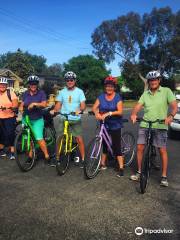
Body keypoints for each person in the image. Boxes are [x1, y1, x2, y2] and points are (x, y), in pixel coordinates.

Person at [130, 70, 177, 187]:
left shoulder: (166, 91)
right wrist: (134, 114)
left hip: (160, 125)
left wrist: (170, 116)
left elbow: (174, 106)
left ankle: (164, 176)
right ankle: (140, 172)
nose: (153, 82)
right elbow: (138, 106)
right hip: (145, 124)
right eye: (151, 80)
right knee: (140, 147)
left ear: (159, 80)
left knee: (162, 149)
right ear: (149, 82)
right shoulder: (145, 94)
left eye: (155, 79)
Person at [52, 71, 86, 168]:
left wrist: (80, 110)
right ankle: (57, 158)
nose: (69, 81)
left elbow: (83, 105)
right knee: (59, 138)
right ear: (66, 81)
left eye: (71, 80)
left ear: (75, 81)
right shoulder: (62, 92)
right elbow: (58, 104)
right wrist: (54, 111)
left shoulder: (80, 91)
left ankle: (83, 159)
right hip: (64, 117)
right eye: (67, 80)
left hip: (75, 119)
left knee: (79, 139)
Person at [92, 76, 124, 177]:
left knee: (116, 146)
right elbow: (94, 107)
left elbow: (120, 111)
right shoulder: (101, 97)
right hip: (104, 123)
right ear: (105, 87)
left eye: (111, 86)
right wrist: (97, 114)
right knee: (104, 144)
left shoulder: (117, 97)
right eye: (107, 86)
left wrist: (109, 113)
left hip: (115, 124)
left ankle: (121, 167)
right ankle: (102, 164)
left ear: (114, 87)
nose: (109, 88)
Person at [19, 75, 51, 165]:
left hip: (37, 119)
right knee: (28, 138)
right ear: (29, 84)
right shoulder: (25, 93)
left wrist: (35, 104)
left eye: (35, 84)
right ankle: (30, 155)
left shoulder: (41, 93)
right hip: (26, 118)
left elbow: (44, 104)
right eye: (31, 84)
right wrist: (21, 107)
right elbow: (22, 103)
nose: (33, 85)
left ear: (37, 84)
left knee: (39, 138)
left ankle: (46, 155)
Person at [0, 77, 18, 160]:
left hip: (9, 117)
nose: (2, 86)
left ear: (6, 85)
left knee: (10, 134)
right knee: (1, 134)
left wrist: (12, 108)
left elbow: (15, 104)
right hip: (0, 117)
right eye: (1, 85)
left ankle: (12, 151)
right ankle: (2, 150)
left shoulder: (10, 93)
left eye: (4, 85)